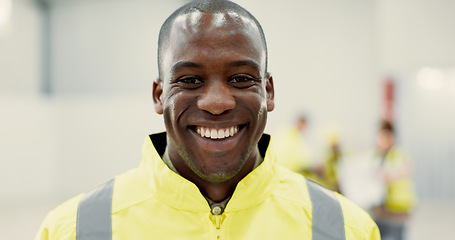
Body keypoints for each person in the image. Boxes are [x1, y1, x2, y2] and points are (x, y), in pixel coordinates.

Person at [36, 1, 380, 239]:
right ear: (158, 96)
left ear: (269, 91)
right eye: (189, 80)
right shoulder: (73, 230)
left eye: (241, 78)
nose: (217, 103)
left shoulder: (347, 229)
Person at [370, 120, 417, 240]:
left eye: (385, 136)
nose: (381, 140)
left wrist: (385, 175)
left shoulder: (400, 155)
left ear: (392, 137)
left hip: (397, 215)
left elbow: (402, 171)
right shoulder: (374, 156)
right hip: (379, 214)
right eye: (380, 136)